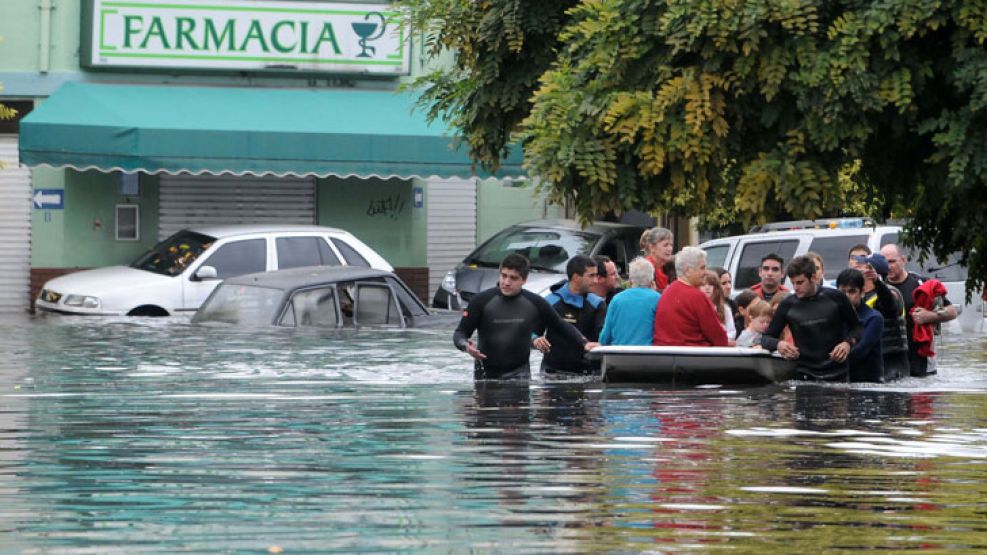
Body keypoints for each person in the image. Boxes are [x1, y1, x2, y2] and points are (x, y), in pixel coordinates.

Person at [453, 253, 594, 380]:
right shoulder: (481, 301)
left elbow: (561, 325)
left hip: (519, 375)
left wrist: (584, 342)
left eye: (513, 278)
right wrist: (465, 346)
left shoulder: (534, 302)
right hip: (486, 375)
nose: (506, 282)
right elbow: (460, 332)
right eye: (504, 275)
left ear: (524, 280)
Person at [761, 255, 862, 381]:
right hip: (805, 375)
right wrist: (779, 344)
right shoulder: (788, 305)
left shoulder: (836, 298)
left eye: (800, 282)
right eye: (793, 283)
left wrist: (847, 343)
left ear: (813, 278)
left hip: (837, 374)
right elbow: (766, 338)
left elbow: (857, 328)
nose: (796, 288)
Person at [880, 244, 957, 376]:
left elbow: (952, 311)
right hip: (891, 356)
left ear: (903, 260)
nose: (888, 266)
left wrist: (930, 316)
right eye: (884, 262)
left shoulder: (922, 285)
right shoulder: (879, 287)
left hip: (921, 356)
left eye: (892, 261)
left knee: (924, 395)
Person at [537, 255, 608, 376]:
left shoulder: (597, 304)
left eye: (596, 275)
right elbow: (533, 331)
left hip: (587, 372)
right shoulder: (550, 301)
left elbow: (602, 338)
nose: (596, 281)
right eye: (591, 276)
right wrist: (536, 339)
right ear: (576, 277)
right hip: (552, 372)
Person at [849, 251, 910, 379]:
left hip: (892, 365)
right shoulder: (858, 296)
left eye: (862, 266)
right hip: (870, 361)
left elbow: (889, 305)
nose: (856, 268)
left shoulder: (892, 293)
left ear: (872, 272)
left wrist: (877, 281)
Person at [653, 247, 729, 347]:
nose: (706, 272)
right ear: (688, 270)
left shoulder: (667, 293)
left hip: (666, 356)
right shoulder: (696, 296)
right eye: (702, 268)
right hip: (694, 357)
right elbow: (718, 336)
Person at [836, 268, 885, 382]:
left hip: (870, 383)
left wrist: (829, 363)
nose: (846, 296)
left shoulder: (874, 318)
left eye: (852, 291)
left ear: (862, 292)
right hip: (844, 378)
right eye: (842, 292)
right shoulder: (835, 315)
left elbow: (861, 350)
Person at [599, 257, 661, 346]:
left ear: (630, 279)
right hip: (647, 355)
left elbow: (604, 338)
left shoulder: (617, 300)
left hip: (618, 355)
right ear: (651, 281)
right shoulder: (658, 299)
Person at [700, 270, 736, 343]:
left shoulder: (725, 309)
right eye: (703, 285)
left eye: (710, 284)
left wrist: (721, 340)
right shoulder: (695, 308)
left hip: (720, 349)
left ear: (716, 288)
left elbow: (732, 332)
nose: (707, 287)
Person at [640, 226, 674, 292]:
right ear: (652, 247)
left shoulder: (666, 266)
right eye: (665, 245)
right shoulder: (644, 269)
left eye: (671, 245)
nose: (670, 249)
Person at [712, 267, 740, 338]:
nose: (729, 286)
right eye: (724, 283)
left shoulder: (733, 305)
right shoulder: (706, 304)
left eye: (729, 282)